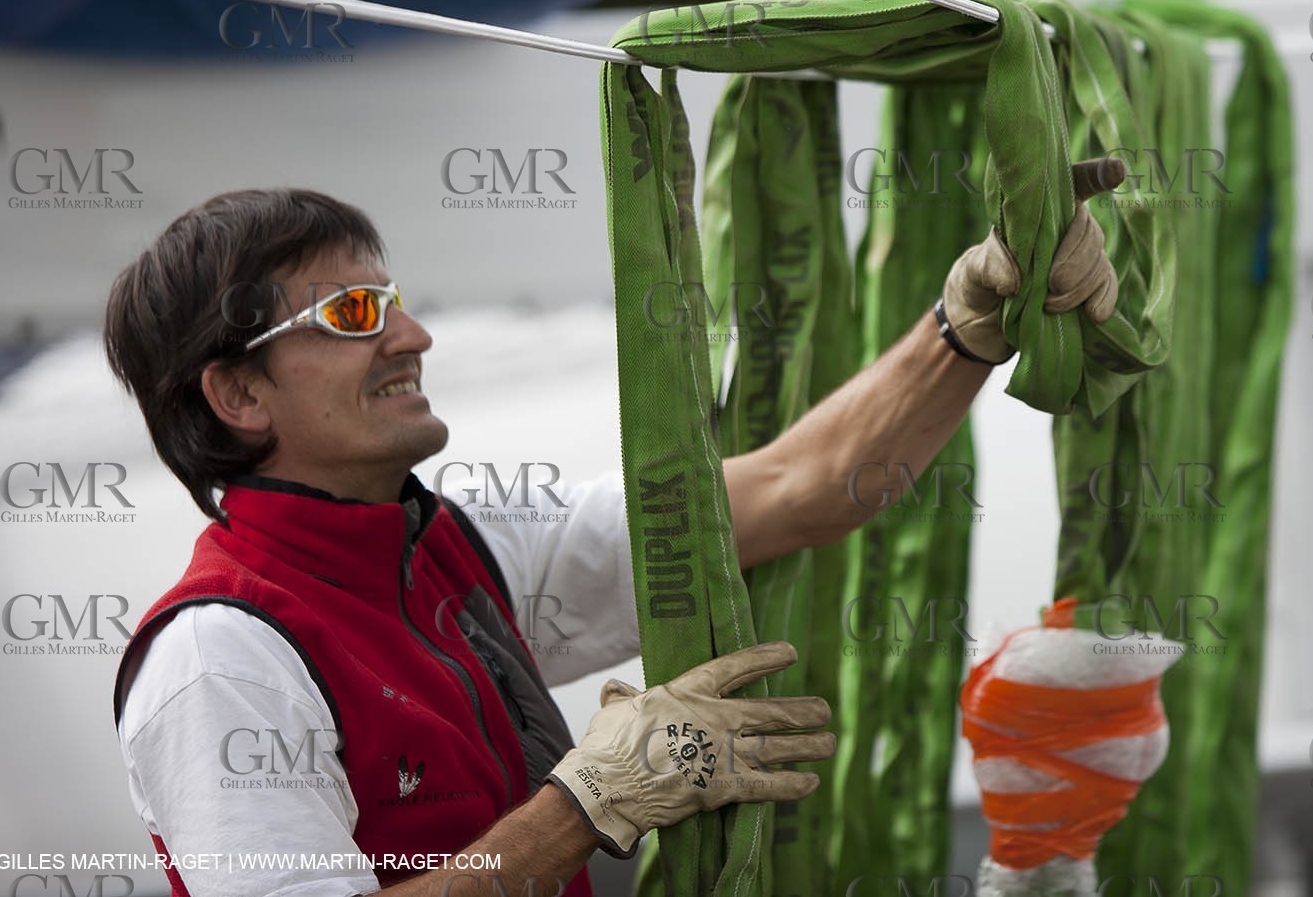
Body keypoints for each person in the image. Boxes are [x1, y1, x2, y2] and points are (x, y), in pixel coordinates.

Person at [105, 176, 1117, 897]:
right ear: (238, 391)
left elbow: (798, 488)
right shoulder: (221, 656)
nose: (411, 336)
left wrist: (969, 320)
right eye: (356, 309)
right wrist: (586, 803)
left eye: (398, 302)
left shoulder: (456, 546)